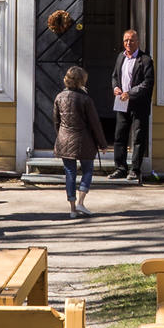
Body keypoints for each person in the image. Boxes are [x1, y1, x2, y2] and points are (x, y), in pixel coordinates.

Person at [55, 65, 108, 216]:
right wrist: (103, 144)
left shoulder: (59, 97)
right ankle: (81, 203)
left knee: (70, 173)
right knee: (88, 170)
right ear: (81, 81)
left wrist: (60, 137)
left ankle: (72, 209)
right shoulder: (86, 99)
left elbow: (56, 121)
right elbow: (95, 124)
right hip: (84, 141)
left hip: (64, 139)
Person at [109, 28, 155, 181]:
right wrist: (116, 87)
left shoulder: (146, 60)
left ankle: (135, 170)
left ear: (138, 42)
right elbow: (115, 76)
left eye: (131, 40)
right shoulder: (120, 57)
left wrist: (130, 93)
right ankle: (120, 168)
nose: (128, 43)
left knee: (138, 139)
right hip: (122, 104)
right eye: (126, 40)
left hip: (139, 105)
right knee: (119, 137)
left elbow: (147, 83)